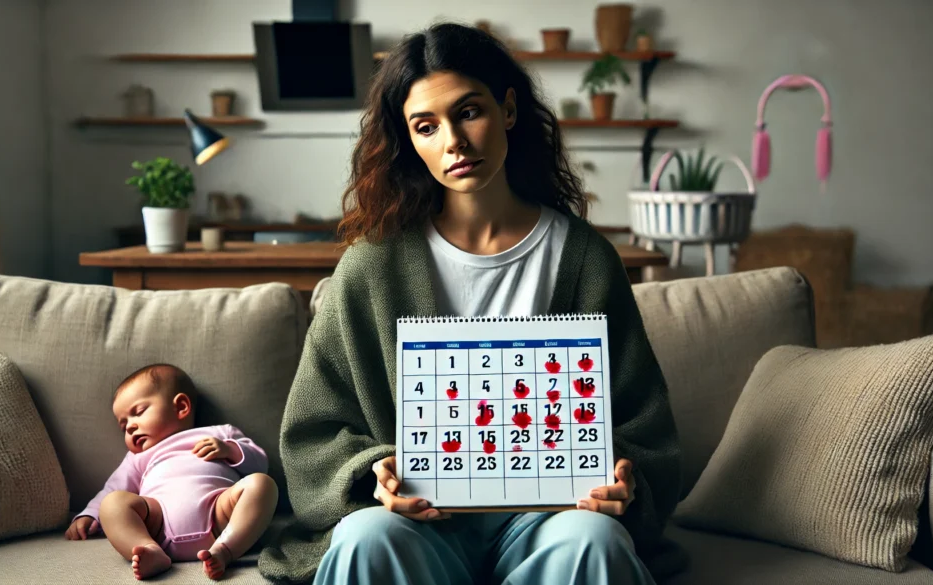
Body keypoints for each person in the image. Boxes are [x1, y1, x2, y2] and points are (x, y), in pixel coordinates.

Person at [258, 21, 683, 585]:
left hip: (551, 517)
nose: (453, 141)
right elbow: (313, 431)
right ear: (409, 141)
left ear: (507, 109)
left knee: (596, 541)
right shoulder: (372, 265)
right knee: (365, 537)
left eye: (469, 112)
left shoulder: (585, 258)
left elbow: (643, 422)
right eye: (426, 126)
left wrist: (623, 476)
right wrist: (373, 475)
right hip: (421, 520)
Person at [65, 364, 279, 581]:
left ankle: (226, 549)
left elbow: (260, 463)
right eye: (123, 425)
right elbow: (113, 487)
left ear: (182, 406)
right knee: (112, 503)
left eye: (138, 412)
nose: (130, 426)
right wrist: (90, 514)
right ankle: (148, 550)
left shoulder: (219, 432)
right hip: (158, 527)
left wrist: (230, 449)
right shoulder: (138, 458)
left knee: (262, 484)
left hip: (219, 515)